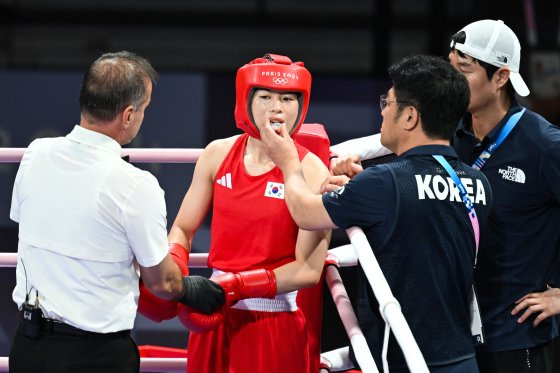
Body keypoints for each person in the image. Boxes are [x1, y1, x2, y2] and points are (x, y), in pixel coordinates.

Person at [328, 20, 560, 373]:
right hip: (455, 336)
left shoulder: (545, 145)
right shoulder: (447, 134)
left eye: (463, 70)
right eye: (450, 66)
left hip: (516, 336)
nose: (451, 79)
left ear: (501, 77)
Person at [261, 54, 493, 372]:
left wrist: (289, 161)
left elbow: (305, 213)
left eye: (389, 102)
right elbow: (418, 219)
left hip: (400, 360)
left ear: (409, 116)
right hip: (462, 358)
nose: (383, 110)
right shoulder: (479, 183)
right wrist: (357, 190)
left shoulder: (385, 181)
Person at [8, 51, 223, 373]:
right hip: (96, 355)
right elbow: (163, 283)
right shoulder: (135, 184)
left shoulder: (35, 155)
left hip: (29, 346)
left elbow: (30, 225)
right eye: (145, 109)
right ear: (128, 115)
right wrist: (192, 288)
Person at [164, 53, 331, 373]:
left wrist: (237, 286)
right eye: (265, 97)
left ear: (301, 105)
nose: (276, 108)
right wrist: (175, 275)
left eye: (286, 98)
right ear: (247, 101)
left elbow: (308, 271)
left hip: (273, 319)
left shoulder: (311, 171)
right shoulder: (217, 154)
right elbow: (183, 229)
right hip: (214, 313)